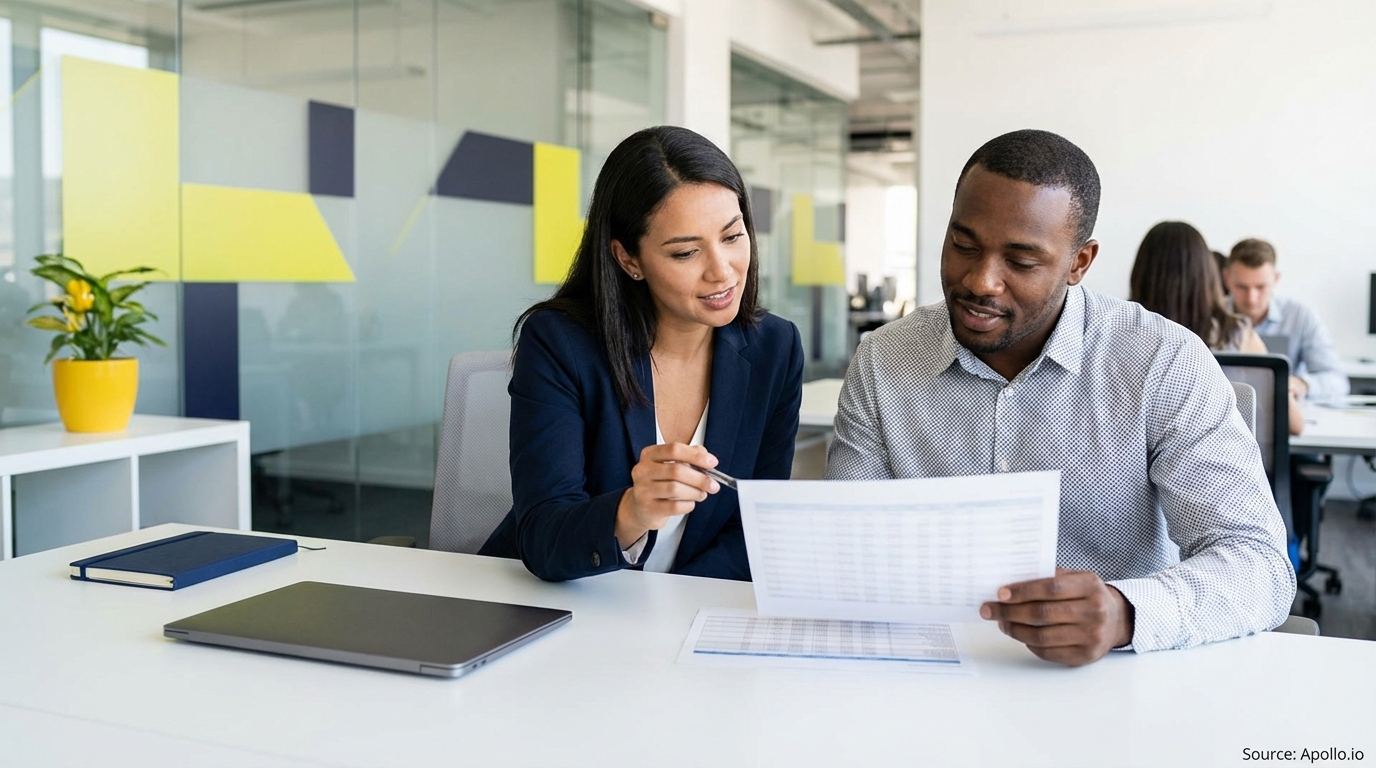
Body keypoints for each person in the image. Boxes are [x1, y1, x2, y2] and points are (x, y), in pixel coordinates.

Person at [825, 129, 1294, 666]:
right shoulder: (884, 359)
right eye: (963, 245)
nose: (981, 281)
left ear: (1080, 262)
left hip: (1109, 681)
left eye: (1021, 262)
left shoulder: (1162, 360)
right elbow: (848, 544)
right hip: (928, 668)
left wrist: (1125, 613)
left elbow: (1259, 565)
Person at [479, 126, 804, 582]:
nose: (723, 270)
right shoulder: (561, 344)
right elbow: (543, 532)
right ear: (628, 259)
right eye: (687, 252)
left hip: (682, 615)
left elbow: (755, 524)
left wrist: (670, 606)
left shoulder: (775, 348)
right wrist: (629, 511)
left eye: (732, 237)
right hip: (559, 603)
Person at [1129, 221, 1303, 436]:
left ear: (1140, 274)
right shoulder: (1237, 333)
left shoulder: (1118, 332)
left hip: (1138, 468)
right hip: (1218, 466)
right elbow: (1293, 424)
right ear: (1208, 274)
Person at [1224, 238, 1349, 403]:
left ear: (1276, 279)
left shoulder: (1300, 316)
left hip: (1283, 413)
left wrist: (1302, 384)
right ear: (1227, 278)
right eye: (1242, 287)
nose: (1251, 299)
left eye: (1261, 287)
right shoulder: (1208, 316)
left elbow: (1337, 381)